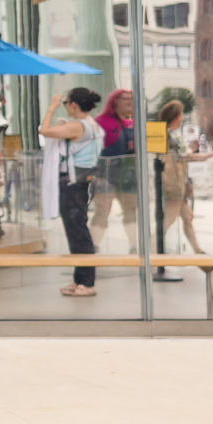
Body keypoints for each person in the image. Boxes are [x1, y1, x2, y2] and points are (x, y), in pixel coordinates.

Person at [41, 87, 105, 296]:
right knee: (76, 230)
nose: (65, 106)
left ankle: (87, 282)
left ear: (74, 105)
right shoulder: (92, 124)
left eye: (66, 103)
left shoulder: (79, 126)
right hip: (81, 182)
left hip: (74, 184)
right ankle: (80, 280)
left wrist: (51, 107)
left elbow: (45, 130)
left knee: (78, 232)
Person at [151, 98, 209, 280]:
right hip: (174, 185)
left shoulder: (167, 134)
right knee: (168, 219)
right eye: (181, 114)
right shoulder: (171, 135)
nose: (183, 117)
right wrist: (211, 155)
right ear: (176, 116)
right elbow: (184, 157)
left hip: (177, 183)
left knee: (187, 217)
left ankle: (198, 251)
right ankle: (151, 251)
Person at [91, 89, 140, 253]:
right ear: (115, 101)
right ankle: (93, 246)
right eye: (125, 98)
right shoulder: (102, 122)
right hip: (106, 175)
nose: (129, 102)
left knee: (130, 210)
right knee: (103, 211)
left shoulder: (136, 122)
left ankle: (134, 245)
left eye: (131, 99)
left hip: (129, 176)